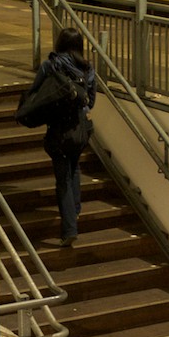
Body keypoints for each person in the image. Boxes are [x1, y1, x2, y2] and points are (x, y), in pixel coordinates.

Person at [26, 27, 97, 247]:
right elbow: (91, 101)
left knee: (63, 179)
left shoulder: (50, 65)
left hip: (58, 129)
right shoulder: (87, 68)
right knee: (74, 167)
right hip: (81, 129)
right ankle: (75, 210)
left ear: (60, 44)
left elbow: (35, 94)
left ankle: (69, 229)